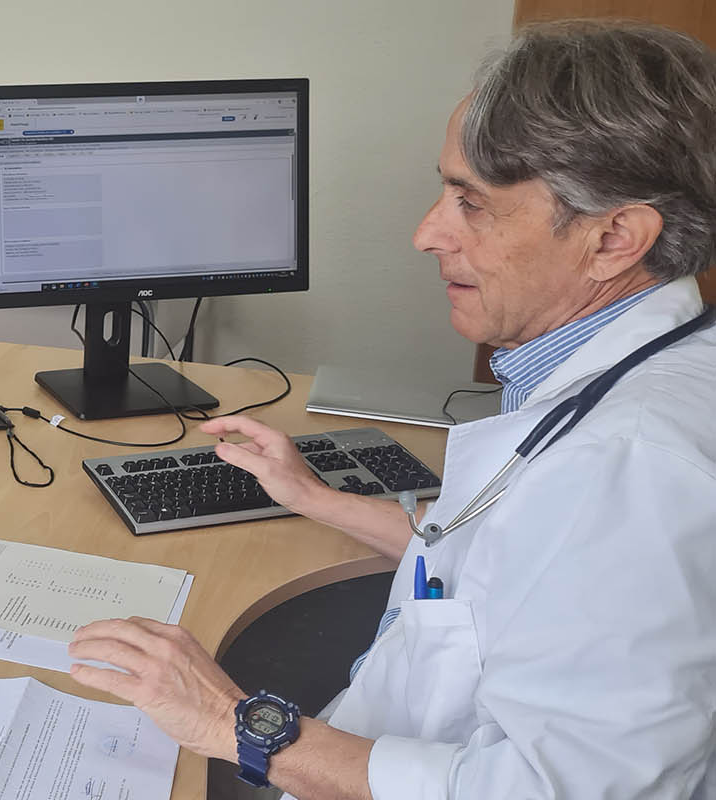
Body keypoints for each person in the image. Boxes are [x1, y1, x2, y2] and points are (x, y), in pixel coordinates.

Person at [69, 20, 716, 798]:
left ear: (613, 239)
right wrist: (316, 497)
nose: (426, 234)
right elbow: (495, 564)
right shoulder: (654, 367)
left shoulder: (631, 473)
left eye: (471, 203)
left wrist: (236, 723)